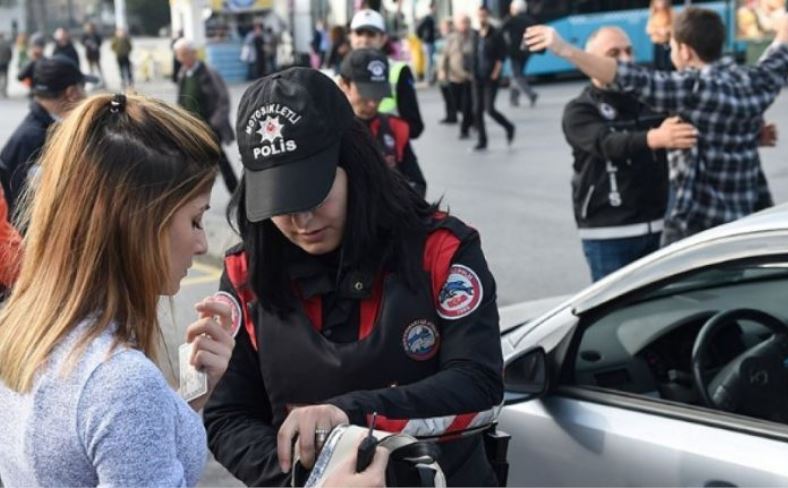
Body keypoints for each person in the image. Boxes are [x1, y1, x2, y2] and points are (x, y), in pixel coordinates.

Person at [203, 68, 504, 486]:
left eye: (315, 194)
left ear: (356, 166)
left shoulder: (443, 250)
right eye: (280, 202)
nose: (301, 220)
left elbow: (480, 385)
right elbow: (227, 416)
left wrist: (350, 415)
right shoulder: (245, 274)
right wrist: (312, 482)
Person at [0, 91, 236, 485]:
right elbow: (120, 412)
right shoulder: (122, 384)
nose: (203, 244)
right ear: (139, 225)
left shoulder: (22, 327)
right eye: (196, 220)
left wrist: (191, 396)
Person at [526, 8, 788, 245]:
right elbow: (779, 55)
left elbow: (625, 75)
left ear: (684, 50)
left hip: (698, 229)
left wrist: (564, 49)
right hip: (745, 220)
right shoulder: (753, 81)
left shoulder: (692, 88)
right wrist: (786, 26)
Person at [562, 27, 697, 281]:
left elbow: (694, 121)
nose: (625, 59)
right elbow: (607, 143)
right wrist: (655, 137)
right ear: (592, 61)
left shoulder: (650, 99)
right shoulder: (579, 110)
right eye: (613, 53)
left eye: (628, 51)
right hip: (609, 235)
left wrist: (750, 133)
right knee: (614, 316)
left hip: (661, 228)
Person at [0, 56, 96, 215]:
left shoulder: (47, 129)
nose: (86, 95)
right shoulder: (35, 138)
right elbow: (19, 208)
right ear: (72, 93)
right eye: (83, 87)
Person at [339, 48, 427, 197]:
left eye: (379, 94)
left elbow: (417, 183)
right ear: (345, 85)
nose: (373, 103)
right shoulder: (331, 133)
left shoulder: (396, 128)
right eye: (366, 94)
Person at [174, 38, 238, 194]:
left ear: (193, 54)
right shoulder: (183, 74)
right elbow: (181, 99)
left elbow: (223, 100)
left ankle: (237, 193)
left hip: (210, 126)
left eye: (183, 54)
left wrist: (215, 122)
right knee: (192, 161)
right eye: (178, 55)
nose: (181, 59)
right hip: (191, 127)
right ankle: (194, 194)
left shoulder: (209, 73)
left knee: (220, 161)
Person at [350, 9, 425, 139]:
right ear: (350, 36)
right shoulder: (339, 76)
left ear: (383, 38)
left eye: (371, 34)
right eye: (359, 33)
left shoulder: (399, 70)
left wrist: (383, 127)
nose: (364, 39)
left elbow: (414, 127)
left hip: (388, 151)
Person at [472, 6, 515, 151]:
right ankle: (482, 141)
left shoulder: (496, 33)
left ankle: (509, 127)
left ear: (488, 16)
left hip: (491, 77)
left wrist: (496, 72)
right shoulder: (476, 34)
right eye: (479, 16)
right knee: (477, 110)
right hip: (477, 77)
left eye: (483, 16)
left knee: (489, 109)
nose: (481, 19)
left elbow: (502, 56)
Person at [439, 13, 476, 140]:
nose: (464, 25)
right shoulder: (451, 38)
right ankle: (472, 120)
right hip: (455, 77)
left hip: (470, 77)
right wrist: (442, 70)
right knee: (458, 104)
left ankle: (465, 129)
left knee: (467, 105)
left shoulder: (474, 36)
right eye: (462, 22)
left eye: (466, 22)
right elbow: (444, 55)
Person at [502, 0, 539, 107]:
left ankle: (531, 94)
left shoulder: (511, 19)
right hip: (527, 52)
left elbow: (500, 29)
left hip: (514, 52)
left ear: (514, 9)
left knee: (516, 75)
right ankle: (513, 99)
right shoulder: (529, 19)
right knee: (517, 75)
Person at [436, 18, 458, 124]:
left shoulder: (452, 38)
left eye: (444, 26)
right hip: (442, 70)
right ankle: (450, 115)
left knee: (450, 96)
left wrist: (442, 70)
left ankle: (452, 115)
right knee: (446, 95)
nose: (442, 29)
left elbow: (447, 56)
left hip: (448, 71)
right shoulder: (444, 38)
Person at [646, 0, 674, 70]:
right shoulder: (653, 15)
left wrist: (666, 30)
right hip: (657, 44)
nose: (661, 3)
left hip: (667, 43)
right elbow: (648, 29)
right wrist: (658, 30)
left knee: (668, 64)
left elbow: (675, 27)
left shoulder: (671, 13)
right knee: (657, 65)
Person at [416, 3, 437, 84]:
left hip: (431, 41)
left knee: (431, 60)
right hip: (427, 42)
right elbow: (418, 28)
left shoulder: (432, 18)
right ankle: (427, 78)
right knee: (428, 61)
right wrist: (422, 37)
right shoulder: (427, 18)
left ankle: (430, 77)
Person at [81, 21, 105, 87]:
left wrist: (96, 44)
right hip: (89, 54)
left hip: (96, 53)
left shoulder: (96, 34)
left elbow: (100, 42)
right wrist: (87, 43)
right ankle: (92, 83)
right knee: (90, 68)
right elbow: (82, 42)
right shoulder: (85, 35)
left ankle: (102, 81)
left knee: (98, 67)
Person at [0, 33, 11, 98]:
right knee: (5, 77)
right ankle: (4, 91)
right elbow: (10, 53)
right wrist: (8, 60)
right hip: (5, 63)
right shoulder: (6, 44)